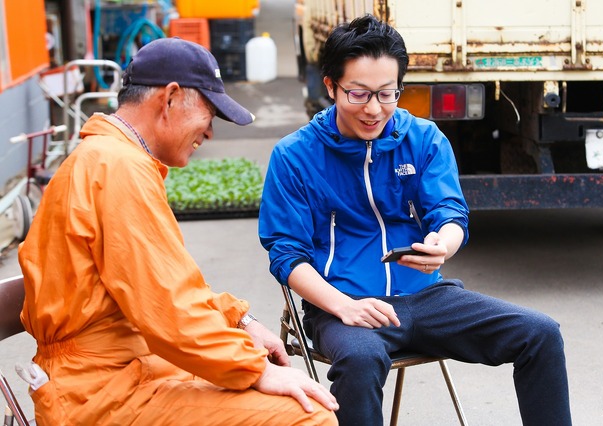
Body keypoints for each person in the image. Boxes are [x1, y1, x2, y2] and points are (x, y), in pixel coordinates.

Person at [258, 15, 572, 426]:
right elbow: (286, 255)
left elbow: (450, 213)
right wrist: (343, 306)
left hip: (427, 298)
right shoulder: (294, 156)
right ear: (331, 86)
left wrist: (444, 243)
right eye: (358, 94)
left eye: (388, 94)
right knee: (361, 356)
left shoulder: (424, 138)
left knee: (541, 333)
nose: (374, 109)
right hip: (342, 305)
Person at [18, 37, 338, 426]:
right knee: (306, 416)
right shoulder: (117, 168)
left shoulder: (108, 158)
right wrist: (259, 371)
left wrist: (241, 322)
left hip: (124, 368)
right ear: (170, 98)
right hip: (102, 392)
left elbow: (168, 289)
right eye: (209, 113)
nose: (210, 134)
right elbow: (167, 307)